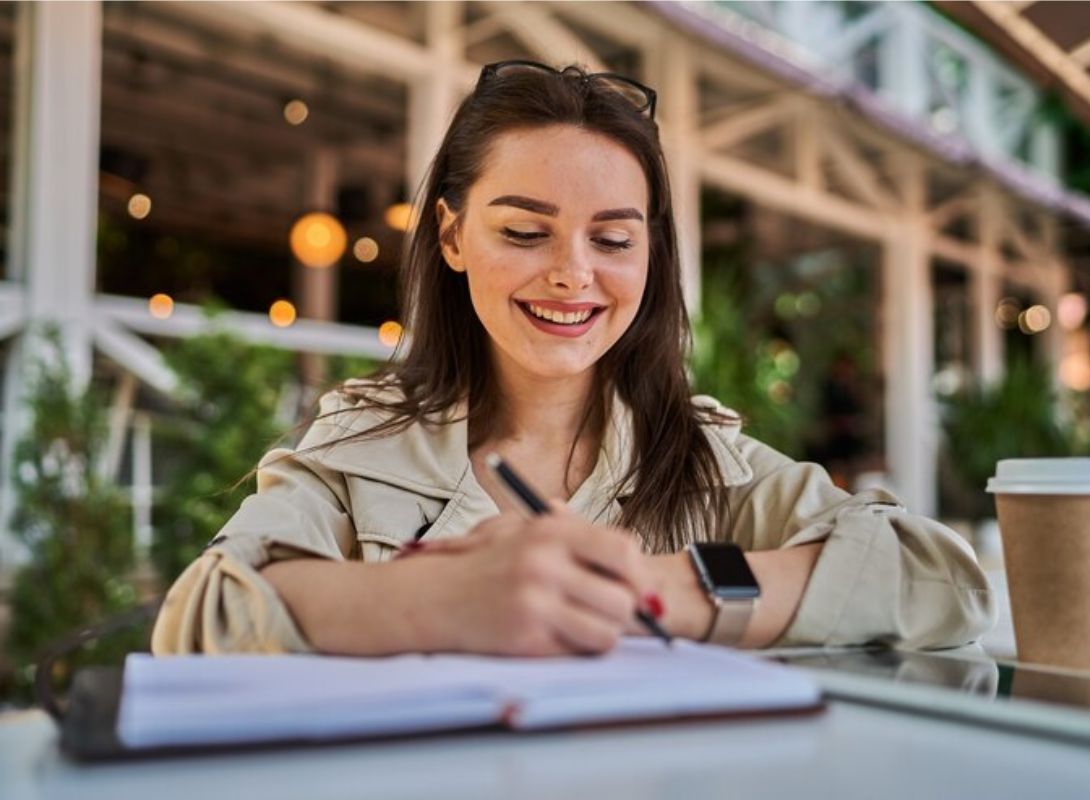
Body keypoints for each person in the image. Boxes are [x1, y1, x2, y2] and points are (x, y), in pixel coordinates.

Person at [152, 62, 995, 658]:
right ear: (450, 236)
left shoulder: (705, 459)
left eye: (615, 238)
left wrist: (648, 595)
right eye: (524, 231)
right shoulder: (363, 441)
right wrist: (432, 601)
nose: (574, 274)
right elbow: (203, 617)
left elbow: (940, 580)